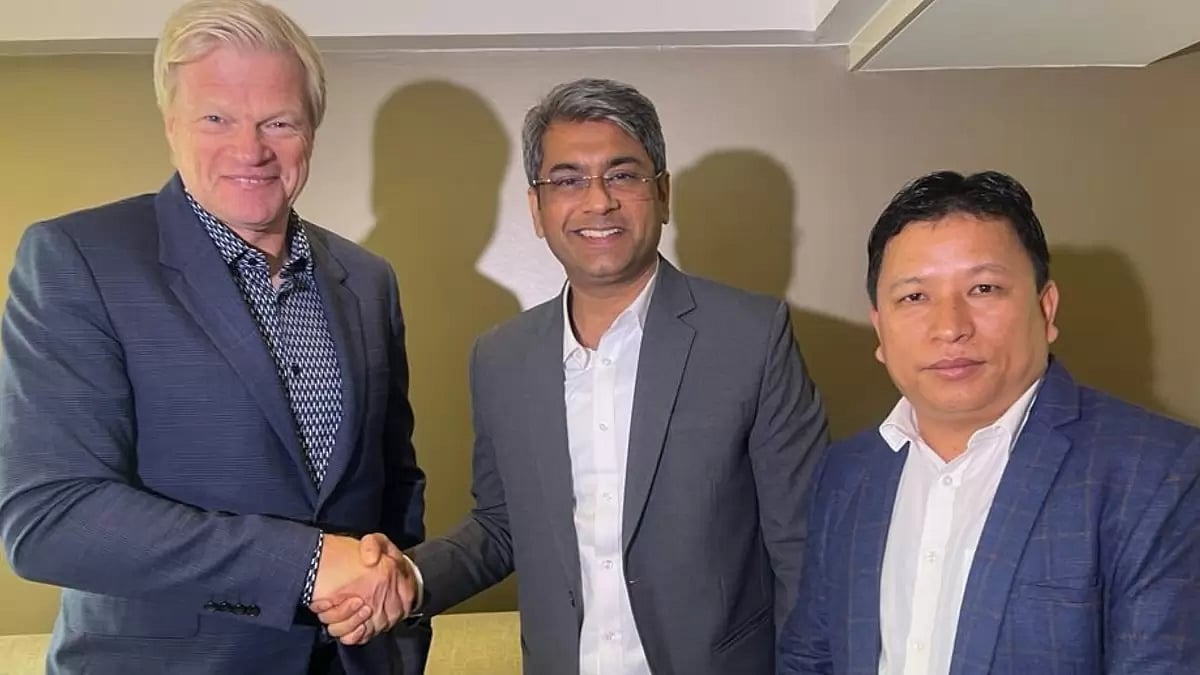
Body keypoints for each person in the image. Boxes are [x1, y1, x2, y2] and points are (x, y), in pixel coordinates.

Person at [324, 77, 829, 674]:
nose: (598, 202)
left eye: (623, 174)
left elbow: (803, 546)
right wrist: (409, 575)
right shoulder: (500, 358)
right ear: (537, 209)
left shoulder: (752, 336)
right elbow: (502, 525)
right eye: (567, 180)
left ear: (662, 194)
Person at [0, 1, 426, 673]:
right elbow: (50, 516)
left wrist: (397, 600)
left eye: (278, 121)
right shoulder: (79, 258)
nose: (250, 149)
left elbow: (394, 486)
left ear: (310, 128)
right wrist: (307, 564)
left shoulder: (368, 280)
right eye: (217, 118)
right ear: (171, 125)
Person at [778, 170, 1200, 674]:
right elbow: (812, 657)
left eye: (983, 288)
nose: (951, 327)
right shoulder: (847, 472)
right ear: (880, 331)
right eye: (914, 297)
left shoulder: (1160, 474)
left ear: (1046, 309)